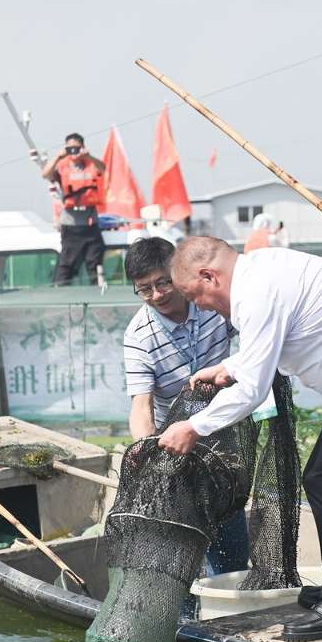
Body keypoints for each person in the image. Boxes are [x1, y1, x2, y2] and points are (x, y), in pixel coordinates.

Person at [158, 238, 322, 642]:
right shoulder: (260, 272)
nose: (202, 307)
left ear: (209, 275)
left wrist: (194, 427)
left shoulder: (256, 294)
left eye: (198, 296)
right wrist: (227, 366)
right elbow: (267, 350)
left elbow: (252, 390)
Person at [121, 236, 246, 575]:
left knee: (229, 518)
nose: (157, 295)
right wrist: (149, 453)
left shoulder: (211, 303)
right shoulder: (139, 336)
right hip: (173, 440)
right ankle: (184, 611)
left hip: (222, 435)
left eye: (163, 282)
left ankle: (230, 589)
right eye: (144, 289)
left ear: (178, 272)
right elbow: (142, 406)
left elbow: (254, 345)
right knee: (177, 533)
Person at [40, 132, 107, 286]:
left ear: (83, 147)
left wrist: (89, 156)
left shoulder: (91, 164)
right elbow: (45, 174)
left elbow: (103, 169)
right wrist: (58, 156)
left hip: (90, 223)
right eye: (70, 149)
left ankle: (99, 300)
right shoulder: (62, 167)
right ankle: (61, 297)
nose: (74, 152)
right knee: (66, 266)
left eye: (77, 148)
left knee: (94, 265)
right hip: (71, 225)